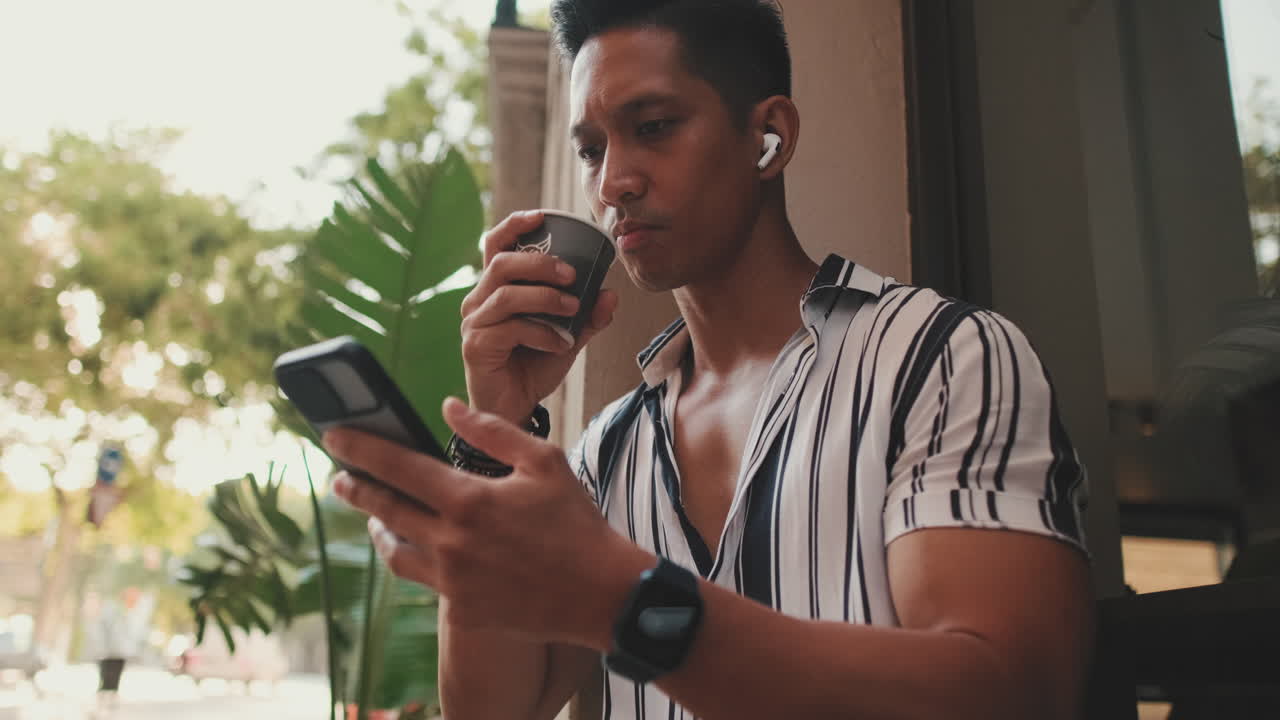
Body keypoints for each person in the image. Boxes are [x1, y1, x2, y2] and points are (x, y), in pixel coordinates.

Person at [323, 1, 1094, 718]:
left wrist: (627, 602)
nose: (613, 182)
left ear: (770, 137)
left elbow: (1008, 693)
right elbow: (495, 711)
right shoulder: (606, 453)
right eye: (591, 150)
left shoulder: (943, 361)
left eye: (653, 126)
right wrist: (497, 420)